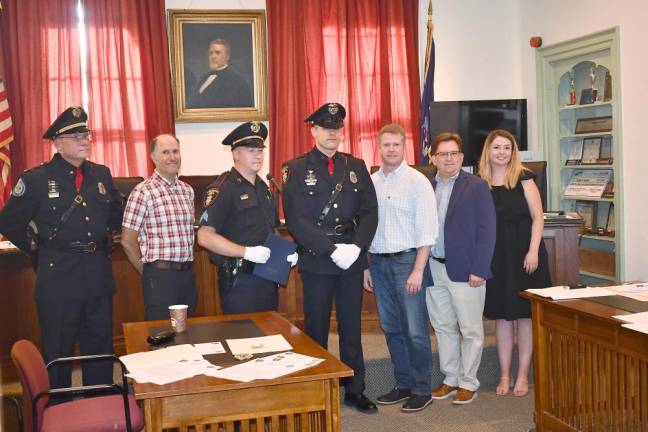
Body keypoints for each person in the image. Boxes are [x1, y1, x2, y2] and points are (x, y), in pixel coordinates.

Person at [0, 106, 123, 388]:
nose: (85, 140)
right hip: (59, 277)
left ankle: (100, 402)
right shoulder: (35, 180)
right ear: (57, 143)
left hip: (97, 274)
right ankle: (59, 409)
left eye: (86, 134)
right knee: (58, 350)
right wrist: (38, 250)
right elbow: (8, 222)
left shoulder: (100, 174)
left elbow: (115, 214)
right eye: (76, 135)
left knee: (100, 348)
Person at [282, 103, 379, 414]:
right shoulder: (296, 169)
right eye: (326, 128)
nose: (332, 133)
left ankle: (355, 389)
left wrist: (357, 247)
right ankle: (317, 389)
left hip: (351, 258)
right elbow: (296, 220)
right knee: (316, 328)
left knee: (352, 327)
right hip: (318, 260)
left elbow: (370, 212)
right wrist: (330, 249)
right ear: (314, 131)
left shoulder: (357, 166)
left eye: (336, 128)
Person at [363, 124, 438, 412]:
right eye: (386, 145)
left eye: (396, 145)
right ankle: (403, 384)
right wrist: (365, 267)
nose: (391, 149)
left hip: (409, 262)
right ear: (379, 148)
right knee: (391, 328)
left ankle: (421, 389)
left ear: (403, 147)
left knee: (415, 330)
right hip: (378, 262)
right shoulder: (371, 182)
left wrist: (419, 270)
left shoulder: (418, 182)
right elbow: (365, 229)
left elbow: (428, 231)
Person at [478, 129, 551, 397]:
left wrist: (533, 251)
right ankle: (505, 374)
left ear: (513, 151)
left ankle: (522, 376)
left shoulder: (524, 178)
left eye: (507, 147)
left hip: (525, 254)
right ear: (489, 150)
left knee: (524, 317)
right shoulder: (481, 182)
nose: (502, 152)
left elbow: (538, 217)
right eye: (496, 147)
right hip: (498, 256)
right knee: (502, 318)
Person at [425, 132, 496, 405]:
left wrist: (480, 268)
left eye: (454, 153)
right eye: (443, 154)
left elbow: (488, 230)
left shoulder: (476, 186)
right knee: (443, 327)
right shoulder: (426, 186)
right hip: (434, 268)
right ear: (433, 158)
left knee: (470, 329)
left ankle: (468, 382)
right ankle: (450, 379)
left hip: (467, 271)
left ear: (462, 157)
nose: (449, 158)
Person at [197, 121, 297, 313]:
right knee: (243, 338)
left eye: (260, 150)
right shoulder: (223, 188)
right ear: (235, 154)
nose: (258, 155)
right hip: (239, 280)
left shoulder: (264, 187)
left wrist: (283, 257)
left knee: (268, 336)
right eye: (251, 150)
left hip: (267, 275)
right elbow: (205, 237)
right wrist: (245, 252)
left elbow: (272, 230)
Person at [121, 134, 197, 320]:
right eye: (165, 152)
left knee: (190, 333)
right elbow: (127, 241)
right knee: (161, 334)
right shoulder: (143, 191)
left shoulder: (187, 190)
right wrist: (148, 272)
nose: (172, 157)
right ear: (153, 157)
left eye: (175, 151)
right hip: (159, 276)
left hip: (187, 275)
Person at [186, 38, 254, 109]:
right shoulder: (203, 78)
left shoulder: (238, 82)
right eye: (211, 53)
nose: (213, 56)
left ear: (227, 57)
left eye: (217, 53)